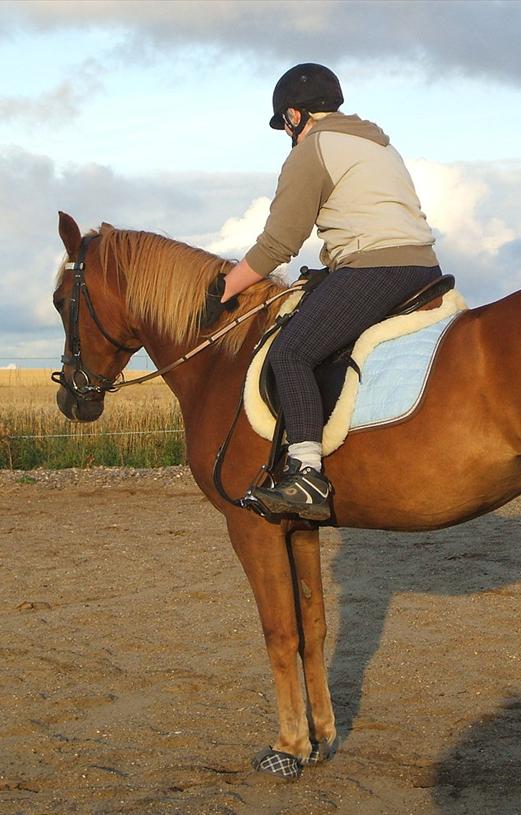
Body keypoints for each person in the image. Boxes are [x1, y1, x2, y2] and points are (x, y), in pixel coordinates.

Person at [204, 63, 441, 521]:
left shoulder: (312, 149)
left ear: (294, 116)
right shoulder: (377, 143)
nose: (286, 133)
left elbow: (279, 242)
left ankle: (307, 475)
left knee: (290, 352)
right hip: (421, 267)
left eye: (284, 125)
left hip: (374, 268)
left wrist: (226, 286)